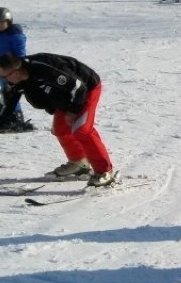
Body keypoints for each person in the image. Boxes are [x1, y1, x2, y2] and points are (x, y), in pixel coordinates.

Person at [0, 52, 116, 186]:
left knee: (81, 130)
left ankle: (105, 171)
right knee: (60, 129)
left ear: (15, 73)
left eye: (4, 76)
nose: (4, 80)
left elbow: (78, 87)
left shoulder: (44, 68)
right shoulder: (19, 81)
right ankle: (79, 164)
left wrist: (72, 111)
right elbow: (10, 104)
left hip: (86, 89)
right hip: (65, 97)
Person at [0, 8, 33, 132]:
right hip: (1, 68)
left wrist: (16, 70)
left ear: (9, 22)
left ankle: (16, 118)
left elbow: (20, 55)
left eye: (2, 22)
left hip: (11, 69)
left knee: (9, 92)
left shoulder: (15, 35)